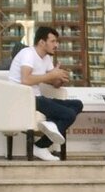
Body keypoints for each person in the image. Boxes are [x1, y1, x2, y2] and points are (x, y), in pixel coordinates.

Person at [8, 25, 84, 162]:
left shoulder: (46, 58)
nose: (56, 45)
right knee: (68, 115)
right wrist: (51, 75)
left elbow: (52, 83)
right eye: (53, 41)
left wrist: (59, 79)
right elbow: (26, 80)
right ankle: (40, 146)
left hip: (36, 98)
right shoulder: (28, 54)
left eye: (57, 41)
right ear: (42, 42)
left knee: (77, 104)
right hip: (23, 98)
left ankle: (51, 125)